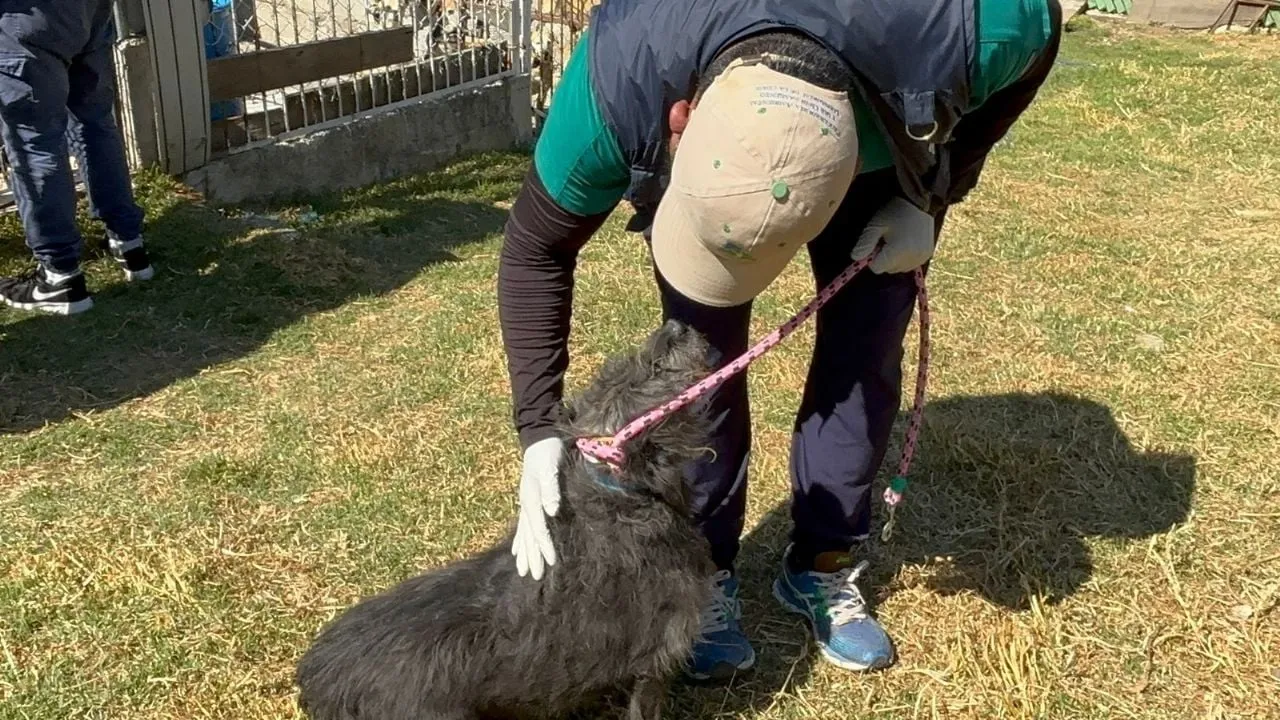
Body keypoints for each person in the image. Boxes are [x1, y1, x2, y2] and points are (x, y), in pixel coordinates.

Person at [498, 0, 1062, 678]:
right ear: (681, 119)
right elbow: (535, 248)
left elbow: (1042, 36)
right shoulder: (620, 76)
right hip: (751, 112)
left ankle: (823, 559)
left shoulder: (977, 27)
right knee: (699, 364)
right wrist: (539, 428)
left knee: (865, 349)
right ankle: (707, 574)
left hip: (880, 129)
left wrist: (929, 197)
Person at [0, 0, 154, 316]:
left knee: (35, 141)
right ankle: (129, 242)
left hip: (26, 16)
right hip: (87, 9)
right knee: (94, 120)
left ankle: (60, 274)